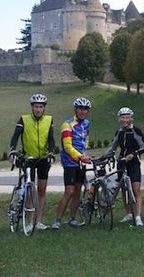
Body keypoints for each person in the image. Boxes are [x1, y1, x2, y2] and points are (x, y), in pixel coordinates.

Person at [9, 93, 55, 231]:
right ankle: (29, 223)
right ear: (32, 107)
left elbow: (51, 139)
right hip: (28, 159)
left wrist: (51, 153)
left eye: (41, 107)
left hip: (43, 159)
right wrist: (12, 150)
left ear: (44, 108)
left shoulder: (49, 120)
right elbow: (15, 137)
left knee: (42, 190)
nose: (38, 109)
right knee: (30, 190)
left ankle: (39, 221)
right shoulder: (24, 119)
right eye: (36, 106)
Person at [51, 97, 92, 229]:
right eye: (80, 108)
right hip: (70, 162)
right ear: (76, 110)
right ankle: (57, 220)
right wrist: (80, 156)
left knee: (78, 190)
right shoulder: (67, 125)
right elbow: (67, 146)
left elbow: (86, 139)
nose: (83, 111)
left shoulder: (87, 123)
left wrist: (85, 153)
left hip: (81, 161)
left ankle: (72, 219)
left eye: (85, 109)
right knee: (69, 191)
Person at [103, 107, 144, 227]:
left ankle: (137, 217)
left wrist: (133, 155)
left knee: (136, 189)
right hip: (122, 161)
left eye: (127, 117)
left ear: (131, 118)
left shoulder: (136, 131)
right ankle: (128, 213)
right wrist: (103, 157)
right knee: (123, 188)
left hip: (134, 162)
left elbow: (143, 147)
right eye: (123, 117)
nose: (125, 120)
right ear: (120, 119)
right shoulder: (119, 132)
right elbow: (113, 147)